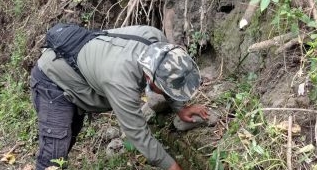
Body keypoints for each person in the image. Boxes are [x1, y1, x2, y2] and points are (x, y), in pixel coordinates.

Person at [30, 25, 209, 170]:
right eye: (166, 90)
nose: (168, 92)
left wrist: (181, 108)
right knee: (54, 156)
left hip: (79, 68)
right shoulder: (121, 81)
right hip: (51, 80)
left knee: (68, 138)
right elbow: (138, 133)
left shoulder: (155, 39)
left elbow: (169, 74)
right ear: (148, 77)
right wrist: (172, 167)